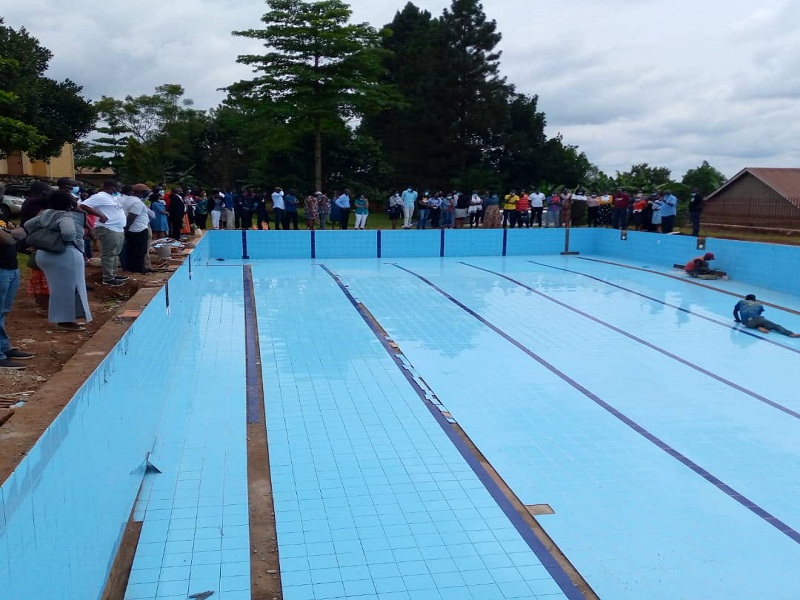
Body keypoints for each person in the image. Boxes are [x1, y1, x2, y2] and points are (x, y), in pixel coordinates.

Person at [23, 190, 93, 330]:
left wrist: (47, 235)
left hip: (44, 254)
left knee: (57, 288)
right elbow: (68, 233)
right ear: (69, 203)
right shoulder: (64, 216)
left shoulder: (46, 213)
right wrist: (61, 239)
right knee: (67, 289)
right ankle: (65, 321)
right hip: (64, 255)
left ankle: (63, 319)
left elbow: (28, 225)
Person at [0, 196, 34, 369]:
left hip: (10, 266)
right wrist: (12, 234)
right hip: (1, 269)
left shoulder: (1, 214)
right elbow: (8, 239)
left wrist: (11, 234)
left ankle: (4, 348)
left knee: (3, 312)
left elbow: (21, 233)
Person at [82, 180, 128, 286]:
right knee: (109, 254)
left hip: (117, 228)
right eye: (118, 187)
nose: (120, 190)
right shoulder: (100, 196)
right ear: (112, 187)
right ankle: (108, 278)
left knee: (115, 253)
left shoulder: (112, 197)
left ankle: (113, 274)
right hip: (108, 228)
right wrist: (100, 215)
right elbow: (83, 205)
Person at [733, 294, 800, 337]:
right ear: (755, 300)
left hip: (748, 323)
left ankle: (758, 327)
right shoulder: (759, 305)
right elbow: (758, 315)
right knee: (776, 326)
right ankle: (791, 334)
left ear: (746, 298)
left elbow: (735, 311)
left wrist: (738, 320)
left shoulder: (741, 302)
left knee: (753, 323)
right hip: (758, 318)